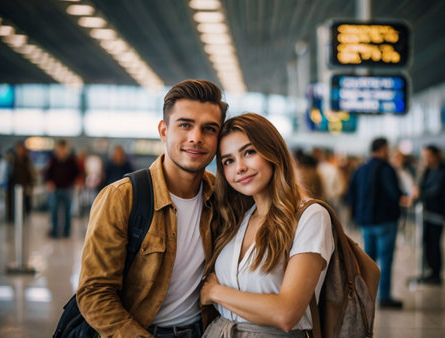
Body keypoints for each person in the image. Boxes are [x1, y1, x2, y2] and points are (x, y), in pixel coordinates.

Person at [76, 79, 228, 338]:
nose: (196, 138)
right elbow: (95, 293)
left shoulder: (223, 198)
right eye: (185, 125)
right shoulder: (121, 197)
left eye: (209, 129)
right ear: (163, 130)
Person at [200, 113, 334, 337]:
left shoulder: (310, 216)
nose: (239, 167)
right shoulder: (237, 219)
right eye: (228, 161)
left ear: (273, 152)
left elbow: (286, 313)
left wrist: (215, 292)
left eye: (249, 152)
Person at [346, 137, 408, 309]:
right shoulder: (386, 169)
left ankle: (365, 295)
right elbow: (393, 193)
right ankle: (385, 297)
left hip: (366, 222)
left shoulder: (361, 169)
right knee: (386, 260)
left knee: (368, 261)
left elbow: (351, 194)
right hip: (385, 221)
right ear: (383, 149)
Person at [414, 145, 445, 284]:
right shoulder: (426, 171)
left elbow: (437, 190)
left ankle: (435, 273)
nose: (425, 159)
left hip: (436, 213)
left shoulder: (441, 171)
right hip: (426, 213)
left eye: (428, 156)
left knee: (433, 243)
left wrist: (420, 195)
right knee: (426, 242)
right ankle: (430, 270)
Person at [44, 139, 79, 238]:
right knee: (54, 211)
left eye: (63, 148)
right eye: (60, 148)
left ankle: (66, 232)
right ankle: (54, 231)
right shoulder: (53, 160)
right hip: (55, 190)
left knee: (67, 212)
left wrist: (74, 182)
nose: (61, 151)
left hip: (67, 189)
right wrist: (49, 182)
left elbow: (76, 173)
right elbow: (47, 174)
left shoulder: (71, 160)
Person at [5, 141, 35, 222]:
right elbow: (7, 173)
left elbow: (30, 173)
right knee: (11, 203)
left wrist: (31, 185)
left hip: (23, 186)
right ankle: (11, 218)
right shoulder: (12, 159)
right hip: (12, 186)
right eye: (19, 148)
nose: (20, 150)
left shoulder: (26, 160)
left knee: (23, 203)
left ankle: (21, 218)